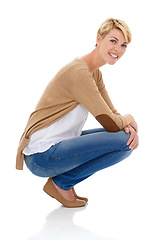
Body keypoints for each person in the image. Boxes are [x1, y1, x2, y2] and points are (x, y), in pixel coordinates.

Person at [16, 18, 139, 208]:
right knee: (124, 142)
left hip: (57, 146)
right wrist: (130, 119)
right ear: (99, 38)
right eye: (113, 41)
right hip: (42, 155)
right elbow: (111, 123)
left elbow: (112, 113)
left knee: (125, 138)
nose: (118, 49)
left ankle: (62, 183)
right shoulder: (79, 73)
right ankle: (62, 184)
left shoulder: (94, 73)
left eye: (123, 45)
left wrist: (127, 126)